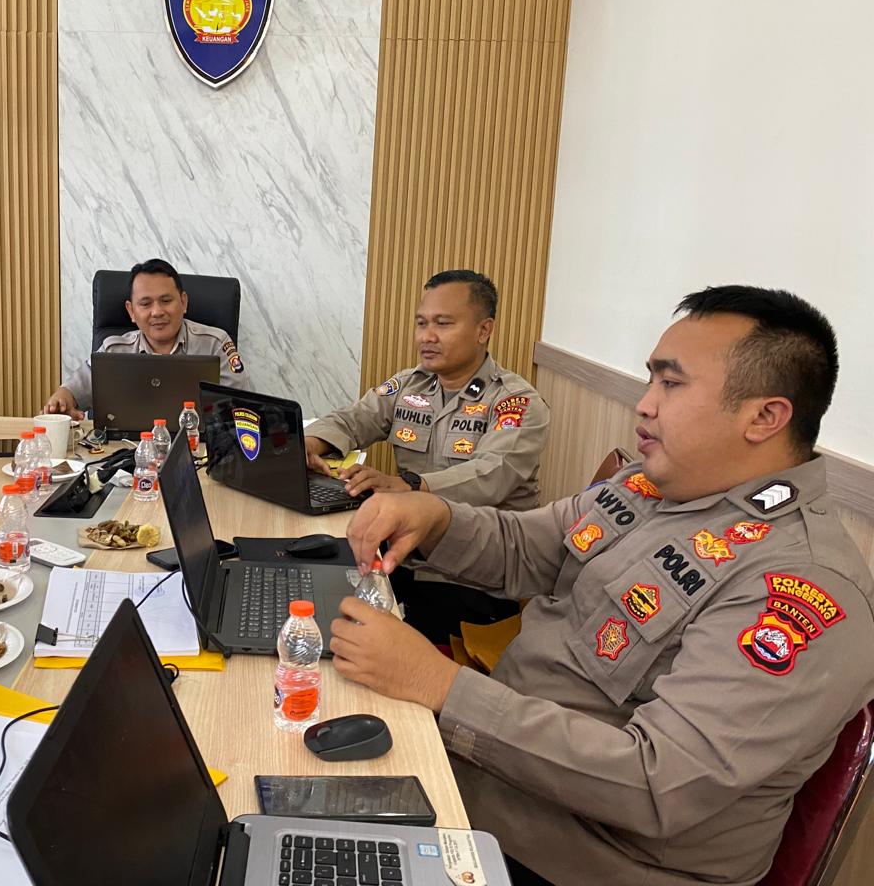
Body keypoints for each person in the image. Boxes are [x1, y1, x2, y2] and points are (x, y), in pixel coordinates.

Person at [330, 285, 874, 885]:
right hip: (493, 777)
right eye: (651, 380)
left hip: (576, 857)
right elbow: (527, 547)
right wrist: (435, 518)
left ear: (765, 417)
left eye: (671, 384)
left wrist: (440, 686)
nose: (644, 405)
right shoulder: (652, 485)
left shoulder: (801, 586)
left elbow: (657, 783)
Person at [305, 270, 549, 509]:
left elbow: (491, 474)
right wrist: (309, 445)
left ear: (483, 330)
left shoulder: (516, 401)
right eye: (421, 324)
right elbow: (352, 420)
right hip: (416, 526)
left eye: (442, 324)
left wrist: (408, 485)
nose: (426, 337)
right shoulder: (410, 385)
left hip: (490, 533)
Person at [44, 258, 249, 418]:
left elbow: (239, 407)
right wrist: (62, 400)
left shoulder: (215, 344)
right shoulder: (114, 351)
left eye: (166, 300)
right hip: (126, 452)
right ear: (131, 311)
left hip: (199, 449)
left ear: (183, 302)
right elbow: (73, 391)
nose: (157, 312)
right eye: (145, 304)